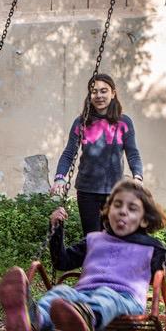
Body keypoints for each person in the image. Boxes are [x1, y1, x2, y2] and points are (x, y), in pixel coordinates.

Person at [0, 179, 166, 331]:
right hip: (82, 297)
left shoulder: (152, 248)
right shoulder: (94, 240)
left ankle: (86, 319)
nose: (122, 211)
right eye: (117, 205)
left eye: (132, 208)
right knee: (62, 292)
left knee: (106, 295)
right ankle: (34, 320)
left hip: (123, 303)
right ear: (108, 211)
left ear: (145, 219)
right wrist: (56, 229)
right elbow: (62, 261)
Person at [50, 73, 144, 235]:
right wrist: (60, 177)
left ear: (113, 93)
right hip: (87, 192)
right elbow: (68, 154)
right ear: (90, 95)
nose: (99, 95)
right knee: (92, 238)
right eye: (94, 91)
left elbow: (133, 153)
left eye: (104, 91)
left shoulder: (124, 122)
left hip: (114, 192)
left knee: (114, 237)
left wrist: (137, 176)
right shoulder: (81, 122)